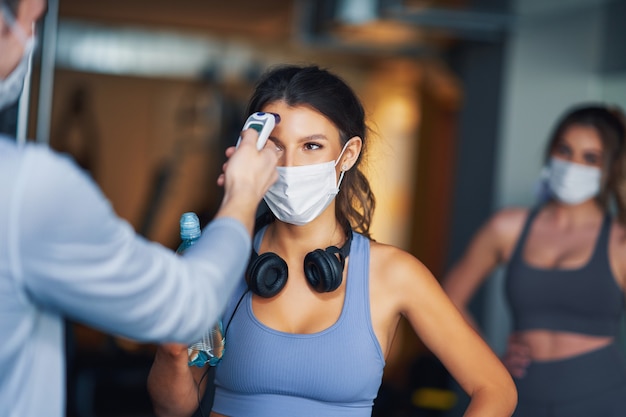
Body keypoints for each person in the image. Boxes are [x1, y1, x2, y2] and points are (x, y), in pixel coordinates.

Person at [147, 64, 517, 417]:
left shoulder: (394, 274)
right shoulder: (221, 260)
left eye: (311, 146)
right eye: (275, 146)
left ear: (347, 154)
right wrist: (172, 352)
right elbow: (173, 407)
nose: (290, 164)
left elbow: (495, 390)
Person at [0, 1, 280, 416]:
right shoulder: (26, 187)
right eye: (31, 17)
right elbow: (186, 311)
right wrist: (243, 194)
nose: (31, 29)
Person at [442, 104, 626, 416]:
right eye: (565, 150)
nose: (572, 165)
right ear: (551, 152)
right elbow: (448, 299)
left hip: (603, 396)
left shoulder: (619, 242)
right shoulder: (507, 227)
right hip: (518, 395)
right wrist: (487, 361)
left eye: (590, 158)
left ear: (610, 168)